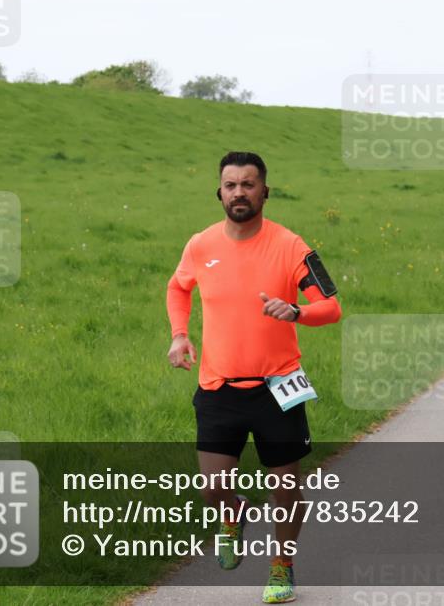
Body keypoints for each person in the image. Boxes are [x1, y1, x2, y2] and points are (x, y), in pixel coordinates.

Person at [166, 151, 342, 604]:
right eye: (231, 185)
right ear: (219, 192)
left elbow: (331, 306)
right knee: (213, 488)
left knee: (285, 488)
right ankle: (234, 514)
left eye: (248, 184)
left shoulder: (291, 246)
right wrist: (180, 335)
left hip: (278, 387)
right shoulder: (200, 245)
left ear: (266, 191)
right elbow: (177, 287)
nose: (239, 192)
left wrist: (298, 311)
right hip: (218, 387)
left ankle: (282, 567)